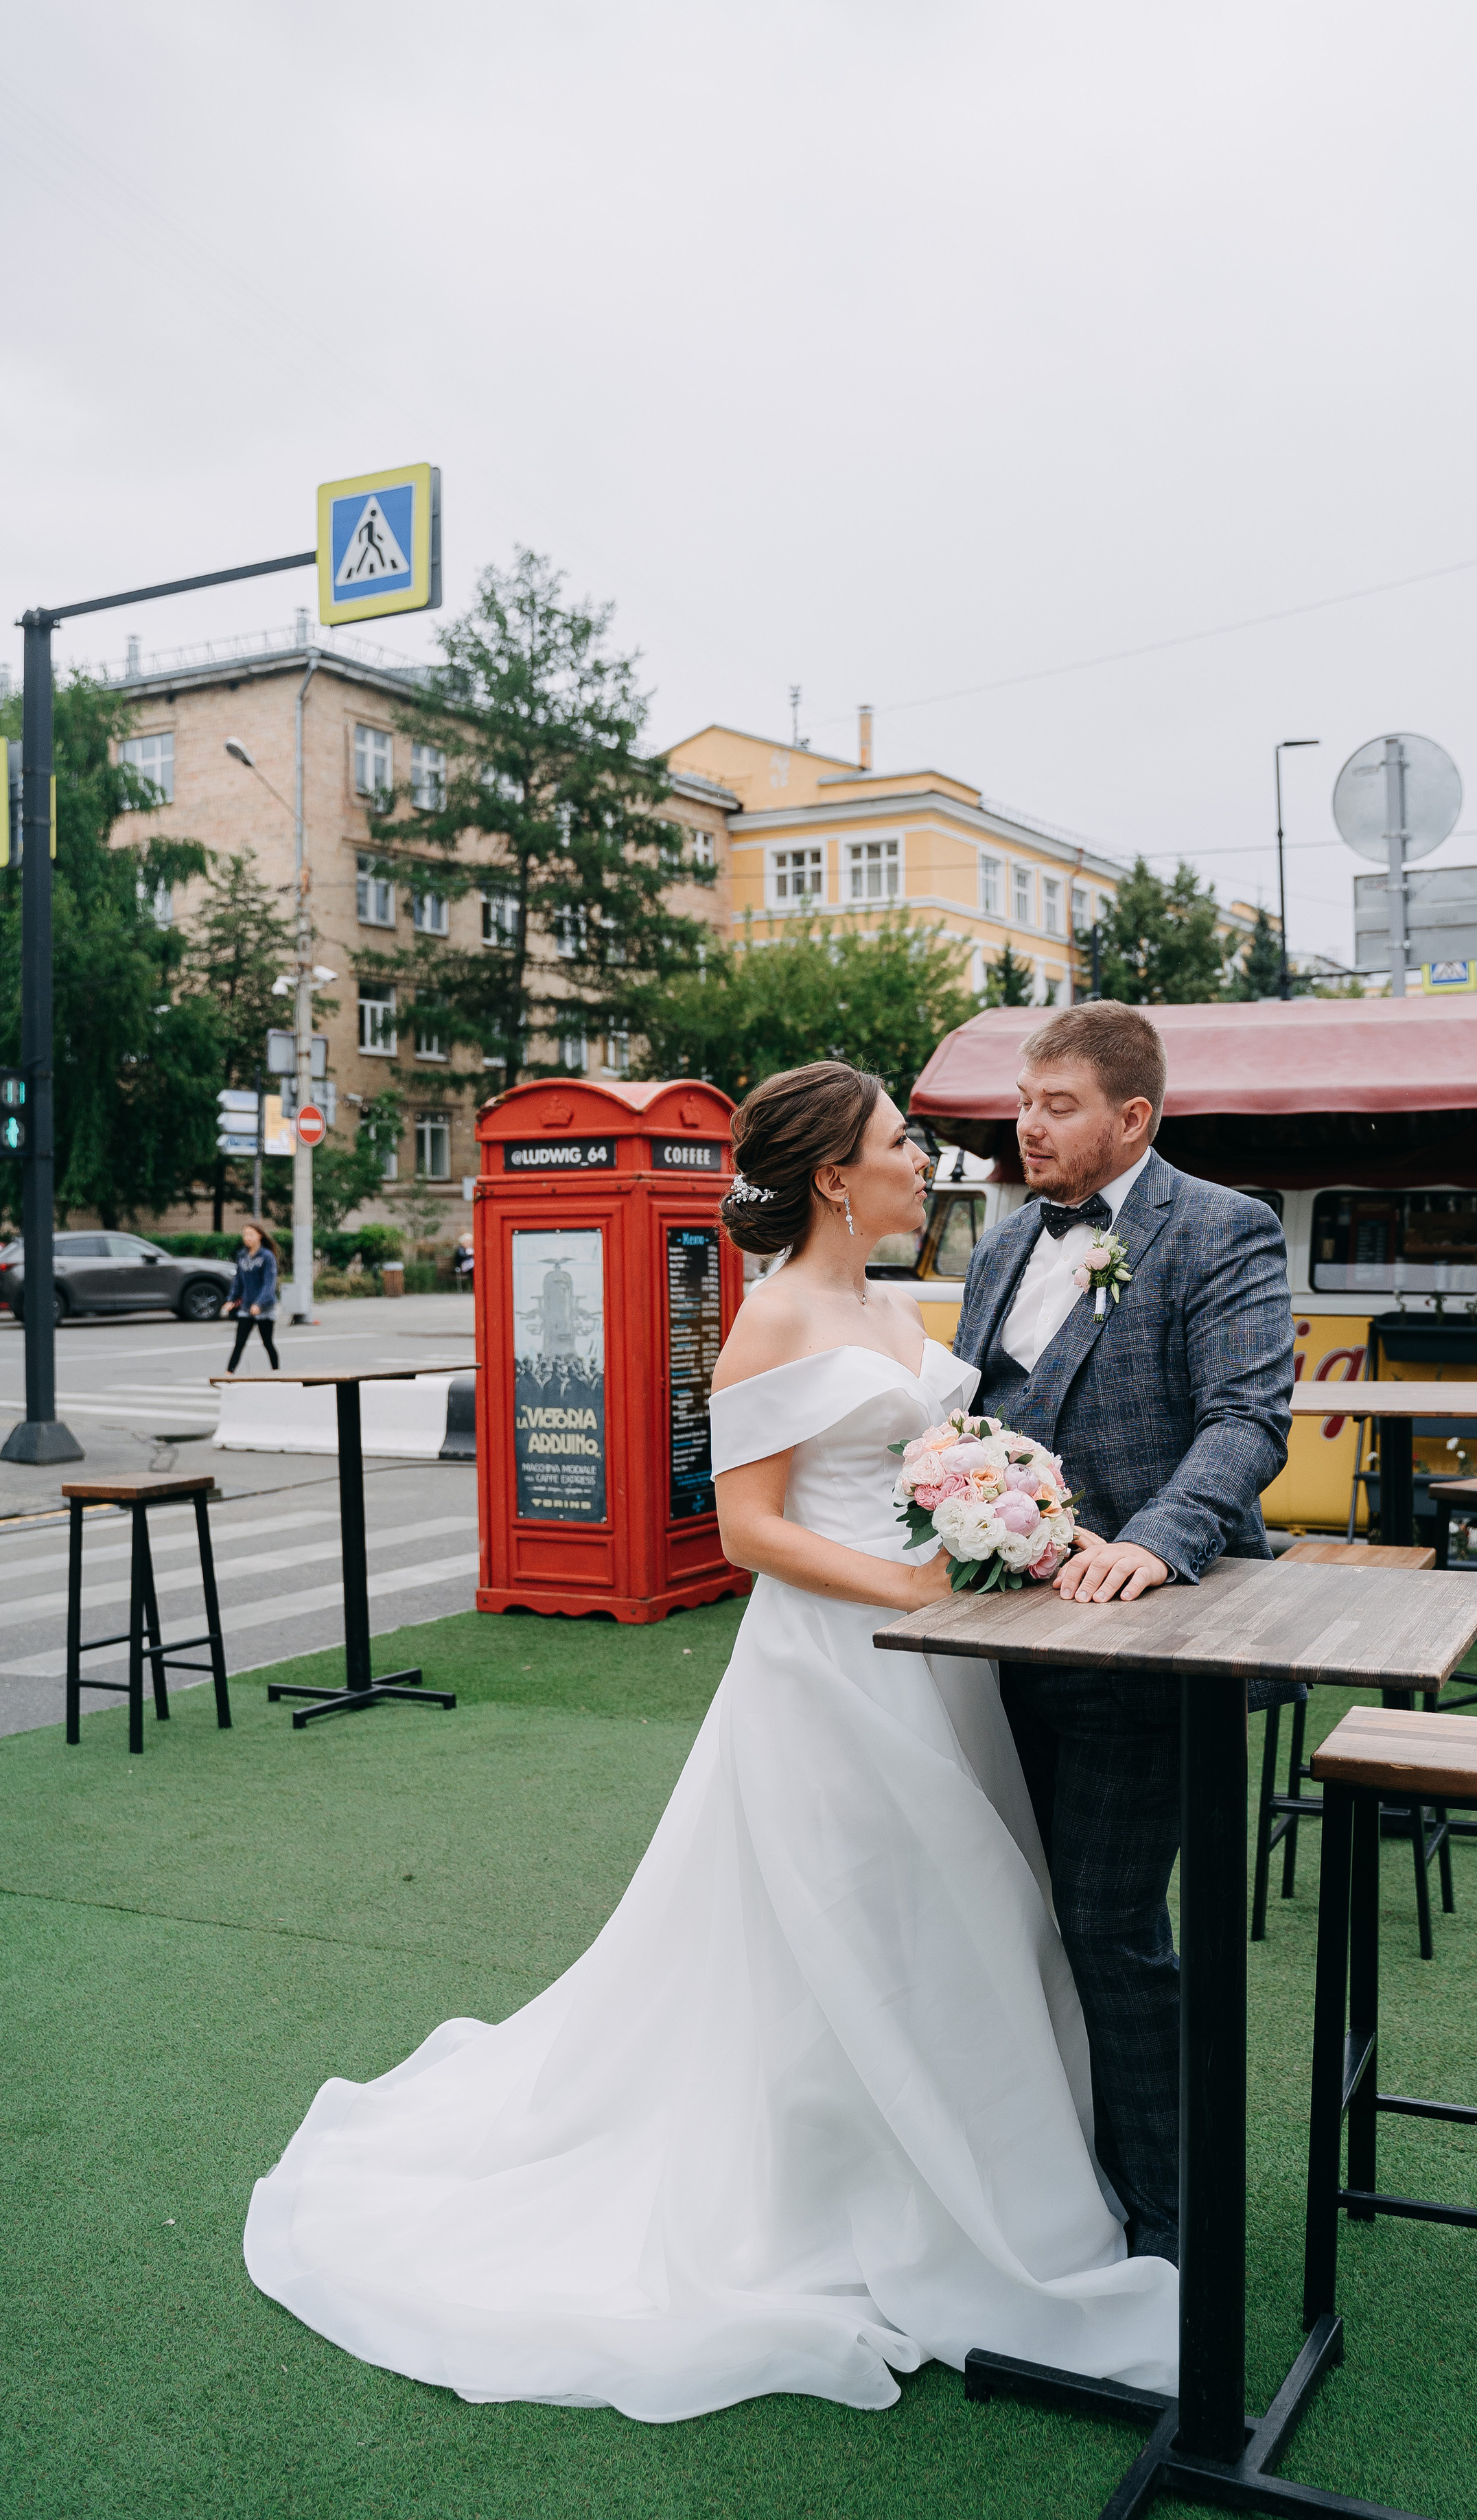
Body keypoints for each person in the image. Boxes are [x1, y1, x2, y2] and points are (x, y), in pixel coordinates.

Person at [242, 1060, 1176, 2418]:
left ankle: (979, 2171)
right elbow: (747, 1530)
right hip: (835, 1670)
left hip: (942, 1668)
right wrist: (911, 1583)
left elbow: (938, 1463)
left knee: (953, 1920)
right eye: (900, 1143)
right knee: (854, 1929)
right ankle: (840, 2192)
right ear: (834, 1177)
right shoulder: (772, 1317)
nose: (922, 1161)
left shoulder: (893, 1301)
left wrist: (1014, 1522)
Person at [953, 1001, 1294, 2269]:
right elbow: (975, 1416)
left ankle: (1172, 2220)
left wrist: (1156, 1539)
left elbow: (1248, 1418)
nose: (1028, 1127)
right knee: (1013, 1916)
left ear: (1134, 1118)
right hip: (994, 1640)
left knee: (1107, 1922)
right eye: (1023, 1103)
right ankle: (1060, 2185)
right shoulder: (1001, 1243)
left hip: (1148, 1644)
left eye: (1059, 1107)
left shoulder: (1222, 1226)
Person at [224, 1224, 280, 1371]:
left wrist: (259, 1303)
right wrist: (231, 1300)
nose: (247, 1238)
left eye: (250, 1235)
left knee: (267, 1343)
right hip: (246, 1307)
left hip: (265, 1308)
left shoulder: (267, 1256)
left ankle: (277, 1373)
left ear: (259, 1236)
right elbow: (238, 1281)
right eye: (245, 1235)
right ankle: (228, 1373)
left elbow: (269, 1284)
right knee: (239, 1343)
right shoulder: (242, 1256)